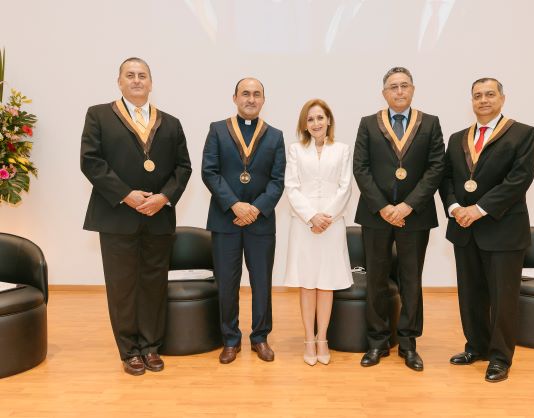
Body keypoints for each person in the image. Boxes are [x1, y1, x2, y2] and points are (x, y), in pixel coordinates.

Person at [80, 57, 192, 376]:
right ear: (119, 82)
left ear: (151, 82)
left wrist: (165, 197)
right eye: (130, 75)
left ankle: (151, 347)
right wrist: (125, 194)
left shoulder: (170, 122)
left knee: (154, 285)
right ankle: (129, 351)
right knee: (122, 286)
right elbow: (91, 162)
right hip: (116, 216)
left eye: (142, 75)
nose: (137, 80)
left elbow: (183, 167)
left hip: (157, 217)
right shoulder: (99, 115)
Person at [439, 77, 534, 383]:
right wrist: (455, 209)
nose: (483, 100)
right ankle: (476, 347)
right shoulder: (457, 138)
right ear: (471, 101)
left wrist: (478, 210)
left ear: (502, 98)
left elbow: (519, 180)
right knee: (471, 295)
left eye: (490, 94)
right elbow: (447, 179)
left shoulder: (522, 133)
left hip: (502, 229)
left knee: (503, 298)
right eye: (477, 95)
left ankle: (500, 357)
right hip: (463, 229)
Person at [353, 67, 445, 371]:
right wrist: (383, 207)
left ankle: (408, 343)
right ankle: (377, 342)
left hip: (414, 217)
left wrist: (407, 206)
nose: (399, 91)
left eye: (404, 85)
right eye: (393, 86)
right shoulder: (368, 124)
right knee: (376, 280)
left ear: (413, 89)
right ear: (384, 93)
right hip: (376, 215)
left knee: (410, 280)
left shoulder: (430, 124)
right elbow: (361, 168)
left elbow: (436, 169)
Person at [201, 78, 286, 364]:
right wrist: (235, 205)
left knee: (262, 283)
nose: (251, 99)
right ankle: (230, 339)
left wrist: (255, 209)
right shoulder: (217, 130)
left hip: (261, 223)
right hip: (226, 220)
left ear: (264, 100)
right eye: (245, 94)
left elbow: (277, 181)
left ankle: (260, 337)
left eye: (257, 94)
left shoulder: (275, 136)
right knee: (227, 283)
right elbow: (209, 172)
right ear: (235, 97)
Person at [284, 99, 353, 366]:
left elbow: (345, 188)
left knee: (326, 283)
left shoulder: (342, 150)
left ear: (329, 121)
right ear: (305, 124)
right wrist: (312, 216)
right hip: (304, 225)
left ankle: (322, 338)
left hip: (332, 225)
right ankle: (308, 338)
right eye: (310, 119)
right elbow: (292, 187)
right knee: (307, 283)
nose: (316, 123)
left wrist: (326, 217)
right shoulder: (295, 150)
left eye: (320, 118)